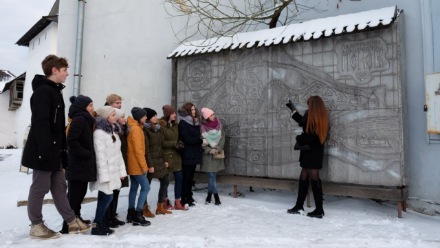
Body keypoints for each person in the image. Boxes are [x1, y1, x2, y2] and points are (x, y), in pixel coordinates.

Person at [22, 54, 90, 239]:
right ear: (55, 70)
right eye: (65, 70)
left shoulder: (55, 91)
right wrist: (46, 152)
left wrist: (61, 153)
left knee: (60, 186)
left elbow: (58, 128)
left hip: (56, 151)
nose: (67, 74)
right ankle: (36, 225)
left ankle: (71, 221)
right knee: (40, 187)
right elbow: (41, 124)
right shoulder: (43, 92)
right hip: (44, 151)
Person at [286, 96, 329, 218]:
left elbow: (310, 137)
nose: (308, 106)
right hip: (313, 152)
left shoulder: (312, 115)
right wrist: (293, 110)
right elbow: (302, 122)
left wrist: (299, 138)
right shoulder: (319, 116)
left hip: (311, 152)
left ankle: (319, 209)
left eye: (309, 104)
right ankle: (299, 205)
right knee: (304, 177)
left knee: (314, 179)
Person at [60, 95, 96, 234]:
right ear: (83, 107)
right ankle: (67, 225)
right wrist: (85, 153)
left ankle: (77, 218)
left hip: (83, 164)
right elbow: (71, 141)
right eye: (90, 105)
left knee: (81, 192)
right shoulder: (80, 119)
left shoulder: (86, 120)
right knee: (74, 196)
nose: (93, 108)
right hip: (77, 164)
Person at [90, 106, 127, 235]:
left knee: (104, 198)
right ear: (105, 117)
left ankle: (100, 224)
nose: (115, 117)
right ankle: (97, 225)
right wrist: (104, 176)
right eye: (112, 115)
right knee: (107, 197)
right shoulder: (99, 133)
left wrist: (121, 172)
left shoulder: (113, 131)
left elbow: (119, 154)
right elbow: (100, 156)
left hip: (113, 171)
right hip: (104, 172)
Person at [143, 108, 172, 215]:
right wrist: (150, 165)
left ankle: (160, 206)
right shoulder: (144, 130)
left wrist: (165, 160)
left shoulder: (158, 128)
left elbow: (161, 146)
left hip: (160, 160)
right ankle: (144, 207)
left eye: (156, 115)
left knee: (165, 181)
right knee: (146, 186)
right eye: (153, 116)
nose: (156, 118)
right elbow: (146, 149)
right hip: (150, 162)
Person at [103, 94, 126, 228]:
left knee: (117, 189)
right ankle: (106, 217)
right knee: (109, 191)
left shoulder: (116, 119)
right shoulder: (105, 119)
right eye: (117, 103)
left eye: (120, 102)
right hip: (109, 161)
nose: (120, 105)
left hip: (118, 159)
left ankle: (112, 215)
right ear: (110, 104)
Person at [159, 105, 187, 210]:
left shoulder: (176, 125)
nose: (175, 115)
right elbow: (161, 142)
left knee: (179, 179)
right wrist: (175, 143)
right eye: (173, 113)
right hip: (166, 157)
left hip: (176, 155)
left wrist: (180, 143)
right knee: (165, 181)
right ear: (167, 115)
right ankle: (165, 200)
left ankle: (177, 201)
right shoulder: (161, 126)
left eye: (175, 113)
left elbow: (179, 138)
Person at [178, 102, 206, 207]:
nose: (194, 111)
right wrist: (200, 140)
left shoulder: (196, 122)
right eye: (192, 110)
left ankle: (189, 196)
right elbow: (187, 139)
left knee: (190, 178)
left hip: (194, 153)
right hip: (187, 154)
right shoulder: (183, 123)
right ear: (187, 111)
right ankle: (184, 198)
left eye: (194, 109)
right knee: (186, 177)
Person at [126, 107, 151, 226]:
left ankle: (130, 213)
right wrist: (144, 166)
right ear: (139, 117)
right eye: (144, 116)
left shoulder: (134, 127)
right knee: (146, 187)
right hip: (137, 165)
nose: (146, 118)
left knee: (134, 188)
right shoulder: (136, 129)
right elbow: (138, 150)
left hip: (132, 164)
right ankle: (138, 213)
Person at [200, 108, 225, 205]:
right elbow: (201, 142)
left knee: (213, 176)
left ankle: (209, 195)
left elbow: (223, 138)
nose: (213, 116)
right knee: (211, 176)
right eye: (210, 115)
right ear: (206, 117)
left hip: (217, 154)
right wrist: (209, 150)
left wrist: (217, 149)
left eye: (213, 114)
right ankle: (216, 196)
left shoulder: (219, 125)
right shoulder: (202, 128)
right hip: (208, 156)